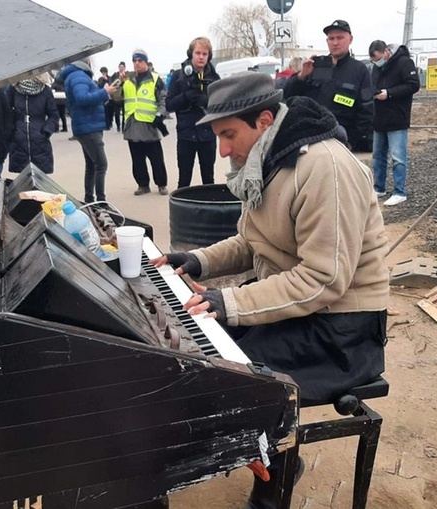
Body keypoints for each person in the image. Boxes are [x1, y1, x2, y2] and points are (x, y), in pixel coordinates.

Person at [151, 72, 388, 508]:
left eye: (228, 135)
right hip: (304, 312)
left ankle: (275, 478)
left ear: (263, 121)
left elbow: (324, 280)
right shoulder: (269, 160)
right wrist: (197, 260)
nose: (222, 149)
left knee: (241, 379)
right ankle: (263, 457)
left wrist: (232, 302)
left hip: (343, 332)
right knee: (202, 358)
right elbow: (251, 240)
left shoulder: (325, 168)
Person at [283, 20, 375, 152]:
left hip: (341, 139)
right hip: (311, 138)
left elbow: (367, 110)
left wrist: (351, 141)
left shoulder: (359, 71)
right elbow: (289, 95)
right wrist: (301, 76)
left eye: (340, 38)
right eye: (331, 38)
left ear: (350, 39)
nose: (335, 42)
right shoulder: (314, 66)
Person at [368, 40, 420, 206]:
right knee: (378, 156)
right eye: (373, 61)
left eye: (378, 58)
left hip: (397, 117)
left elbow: (413, 85)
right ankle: (379, 188)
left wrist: (389, 93)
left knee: (398, 157)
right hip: (379, 118)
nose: (376, 63)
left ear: (386, 52)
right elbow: (371, 84)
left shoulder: (404, 62)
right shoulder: (376, 68)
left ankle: (399, 191)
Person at [112, 49, 170, 196]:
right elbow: (117, 98)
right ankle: (143, 184)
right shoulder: (127, 80)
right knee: (137, 159)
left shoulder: (155, 79)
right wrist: (120, 82)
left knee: (156, 158)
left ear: (146, 62)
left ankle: (161, 184)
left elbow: (164, 99)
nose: (137, 64)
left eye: (140, 60)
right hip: (132, 124)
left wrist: (160, 114)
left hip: (149, 124)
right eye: (134, 61)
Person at [59, 60, 117, 204]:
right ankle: (101, 202)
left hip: (86, 125)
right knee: (101, 164)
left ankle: (90, 199)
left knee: (91, 165)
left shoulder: (74, 75)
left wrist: (103, 92)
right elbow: (82, 98)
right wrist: (104, 92)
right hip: (88, 126)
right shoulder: (78, 76)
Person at [166, 36, 221, 188]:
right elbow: (169, 105)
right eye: (198, 53)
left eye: (205, 54)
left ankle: (210, 208)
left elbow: (221, 106)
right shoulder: (178, 76)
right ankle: (182, 210)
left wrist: (207, 101)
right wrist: (186, 96)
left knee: (208, 179)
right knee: (184, 179)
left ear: (209, 56)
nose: (201, 57)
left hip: (208, 135)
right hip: (186, 134)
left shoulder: (214, 77)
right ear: (191, 54)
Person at [6, 74, 60, 174]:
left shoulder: (45, 90)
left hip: (40, 139)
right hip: (19, 139)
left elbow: (54, 115)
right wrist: (12, 130)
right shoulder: (14, 89)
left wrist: (46, 131)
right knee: (23, 181)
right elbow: (6, 112)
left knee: (40, 179)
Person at [97, 66, 115, 130]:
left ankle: (110, 122)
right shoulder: (100, 79)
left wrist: (106, 79)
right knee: (106, 112)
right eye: (102, 72)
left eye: (104, 72)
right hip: (104, 97)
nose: (103, 73)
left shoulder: (110, 78)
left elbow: (112, 84)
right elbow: (99, 86)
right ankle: (107, 125)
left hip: (111, 97)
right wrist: (103, 80)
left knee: (111, 112)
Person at [110, 62, 126, 132]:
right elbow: (112, 84)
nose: (121, 68)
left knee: (125, 113)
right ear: (118, 68)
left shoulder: (127, 75)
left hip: (125, 96)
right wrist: (119, 80)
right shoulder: (115, 75)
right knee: (117, 113)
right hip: (116, 97)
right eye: (120, 67)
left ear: (124, 68)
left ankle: (123, 127)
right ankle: (118, 126)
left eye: (123, 67)